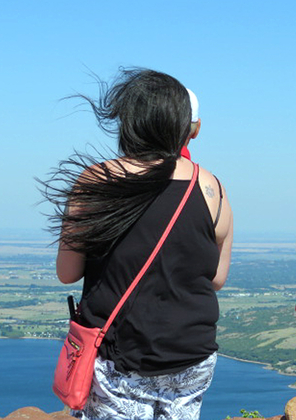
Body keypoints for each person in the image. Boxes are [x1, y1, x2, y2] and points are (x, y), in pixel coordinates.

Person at [41, 68, 233, 420]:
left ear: (127, 122)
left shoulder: (96, 181)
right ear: (181, 124)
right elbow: (216, 278)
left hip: (120, 355)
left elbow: (67, 273)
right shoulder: (211, 188)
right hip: (191, 355)